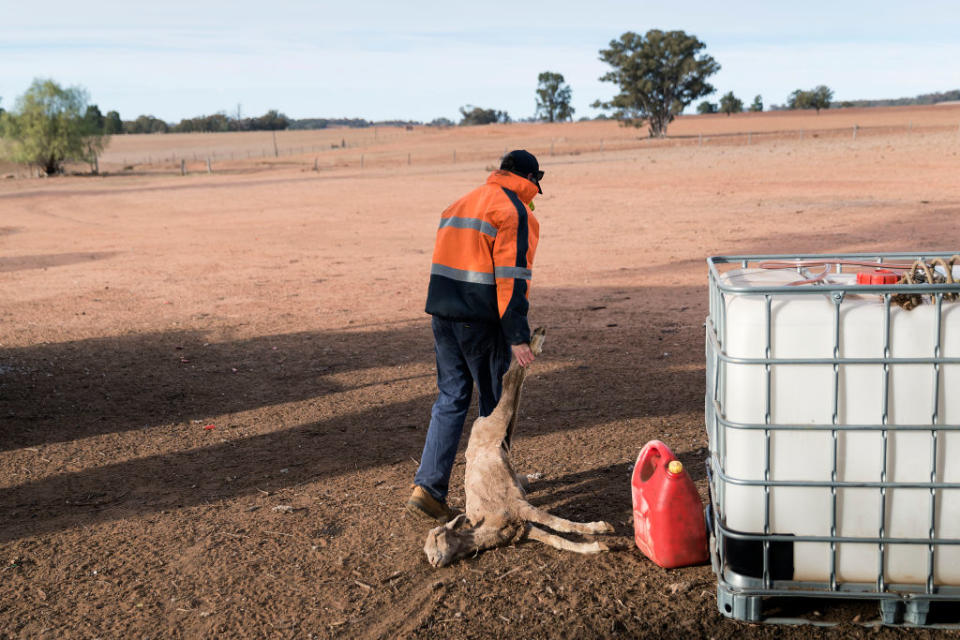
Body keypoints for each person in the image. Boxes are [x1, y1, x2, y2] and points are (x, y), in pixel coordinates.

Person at [406, 150, 543, 522]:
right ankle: (492, 490)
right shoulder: (515, 213)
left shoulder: (460, 203)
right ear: (530, 179)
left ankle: (428, 490)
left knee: (451, 397)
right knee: (496, 406)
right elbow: (512, 280)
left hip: (443, 316)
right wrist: (517, 335)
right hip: (480, 322)